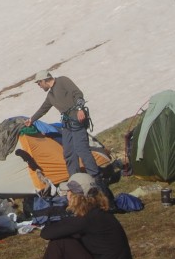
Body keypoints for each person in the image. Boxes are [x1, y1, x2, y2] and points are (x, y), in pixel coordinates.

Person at [21, 173, 136, 259]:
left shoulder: (85, 220)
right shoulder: (98, 214)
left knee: (62, 242)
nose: (66, 194)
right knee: (67, 240)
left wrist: (61, 217)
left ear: (76, 196)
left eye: (69, 191)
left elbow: (46, 233)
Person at [24, 71, 111, 199]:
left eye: (39, 83)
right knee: (69, 153)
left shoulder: (63, 81)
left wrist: (80, 109)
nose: (39, 86)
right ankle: (75, 182)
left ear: (44, 80)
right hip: (66, 124)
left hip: (77, 119)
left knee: (81, 149)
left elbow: (78, 94)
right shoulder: (50, 95)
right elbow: (43, 109)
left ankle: (97, 179)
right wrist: (31, 119)